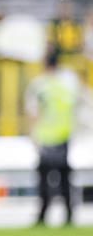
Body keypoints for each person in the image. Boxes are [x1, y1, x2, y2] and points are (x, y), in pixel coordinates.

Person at [25, 47, 83, 226]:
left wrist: (33, 135)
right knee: (65, 177)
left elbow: (33, 113)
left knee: (44, 179)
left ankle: (43, 214)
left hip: (45, 136)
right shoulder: (69, 82)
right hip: (64, 134)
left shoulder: (39, 85)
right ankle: (69, 214)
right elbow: (78, 105)